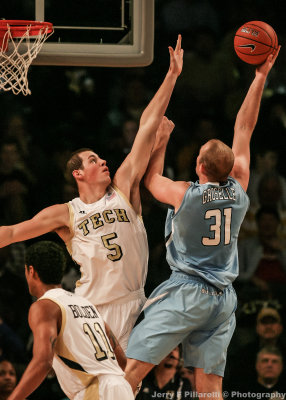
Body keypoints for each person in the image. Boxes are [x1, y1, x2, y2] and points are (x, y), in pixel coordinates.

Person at [0, 36, 184, 351]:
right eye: (93, 160)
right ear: (78, 173)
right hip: (93, 308)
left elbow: (146, 127)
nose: (103, 162)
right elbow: (14, 231)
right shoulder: (65, 212)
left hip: (135, 304)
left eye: (101, 158)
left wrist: (171, 77)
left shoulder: (123, 187)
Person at [125, 48, 280, 397]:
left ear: (199, 166)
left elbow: (151, 180)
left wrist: (161, 142)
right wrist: (260, 77)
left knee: (131, 369)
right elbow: (245, 125)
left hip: (188, 292)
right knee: (210, 389)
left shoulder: (185, 194)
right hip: (223, 300)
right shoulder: (240, 188)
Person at [7, 240, 133, 400]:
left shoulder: (44, 306)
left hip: (95, 391)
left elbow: (43, 361)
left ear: (31, 271)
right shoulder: (86, 304)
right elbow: (121, 360)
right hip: (121, 387)